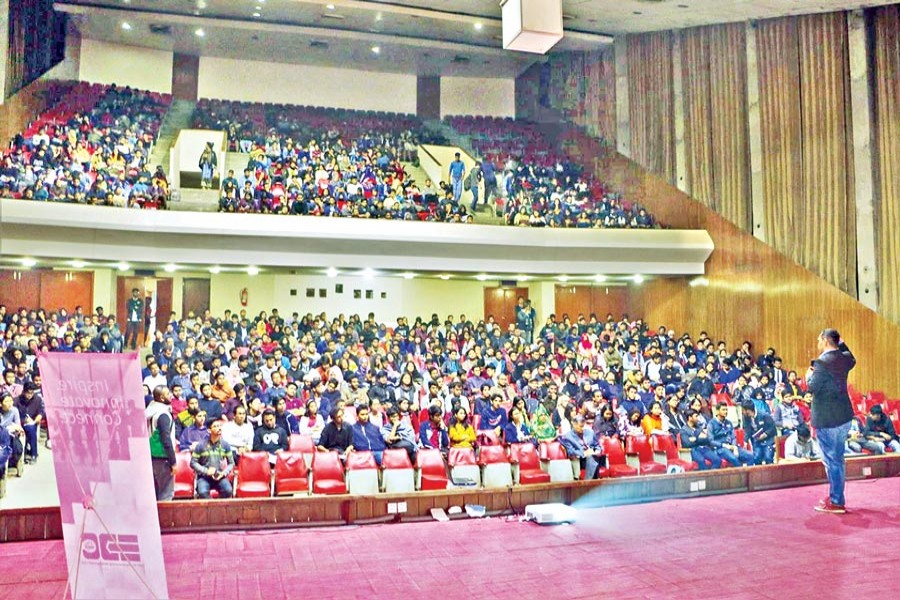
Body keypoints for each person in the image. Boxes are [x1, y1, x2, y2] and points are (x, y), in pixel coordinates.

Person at [806, 329, 855, 514]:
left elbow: (812, 387)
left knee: (832, 461)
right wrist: (841, 342)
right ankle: (837, 496)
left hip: (827, 418)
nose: (818, 342)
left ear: (826, 341)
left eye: (820, 339)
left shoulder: (821, 363)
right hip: (843, 416)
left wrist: (808, 375)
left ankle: (836, 501)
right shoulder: (844, 359)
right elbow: (852, 357)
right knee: (838, 459)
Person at [146, 385, 177, 501]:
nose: (171, 396)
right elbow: (166, 439)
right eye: (168, 394)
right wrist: (173, 461)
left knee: (154, 495)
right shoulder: (163, 414)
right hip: (162, 458)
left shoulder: (150, 410)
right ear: (162, 398)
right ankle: (164, 520)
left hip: (151, 457)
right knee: (166, 495)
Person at [190, 420, 235, 498]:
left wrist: (223, 473)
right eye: (215, 426)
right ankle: (210, 509)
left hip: (219, 475)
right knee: (202, 492)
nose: (219, 428)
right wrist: (206, 471)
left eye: (219, 426)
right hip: (204, 477)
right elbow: (193, 463)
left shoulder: (225, 445)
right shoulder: (201, 445)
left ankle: (218, 508)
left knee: (228, 490)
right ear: (209, 430)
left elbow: (231, 463)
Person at [741, 400, 777, 465]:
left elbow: (773, 428)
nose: (742, 412)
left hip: (768, 439)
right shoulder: (745, 417)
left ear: (748, 410)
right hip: (757, 440)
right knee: (756, 458)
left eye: (743, 410)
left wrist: (765, 434)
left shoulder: (764, 415)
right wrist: (745, 441)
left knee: (768, 457)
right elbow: (747, 430)